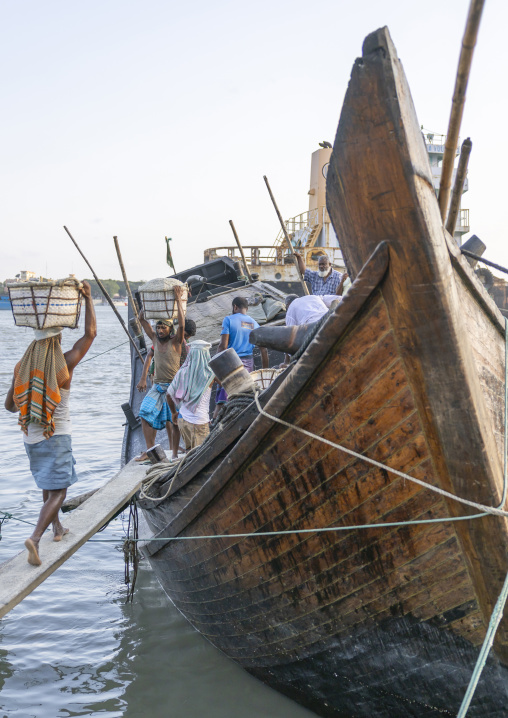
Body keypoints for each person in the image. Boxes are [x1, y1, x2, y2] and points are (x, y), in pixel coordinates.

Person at [4, 281, 97, 566]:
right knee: (58, 491)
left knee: (47, 484)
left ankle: (58, 528)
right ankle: (35, 537)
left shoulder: (21, 368)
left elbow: (9, 406)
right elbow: (91, 333)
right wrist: (89, 299)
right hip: (56, 436)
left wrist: (31, 398)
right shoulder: (65, 363)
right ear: (57, 341)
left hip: (31, 438)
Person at [137, 285, 196, 461]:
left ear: (170, 330)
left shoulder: (177, 341)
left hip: (174, 387)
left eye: (163, 328)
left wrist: (178, 299)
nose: (160, 330)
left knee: (178, 421)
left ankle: (182, 451)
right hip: (158, 386)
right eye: (158, 328)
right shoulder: (154, 339)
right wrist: (147, 303)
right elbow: (142, 320)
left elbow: (182, 323)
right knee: (144, 413)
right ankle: (150, 451)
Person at [214, 297, 269, 411]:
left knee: (224, 402)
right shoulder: (254, 323)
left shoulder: (228, 320)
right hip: (248, 366)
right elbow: (264, 350)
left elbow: (223, 346)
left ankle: (217, 425)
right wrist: (265, 372)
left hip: (230, 365)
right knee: (245, 400)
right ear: (247, 309)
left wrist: (213, 365)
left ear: (235, 307)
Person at [167, 340, 214, 452]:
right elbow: (228, 385)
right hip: (199, 422)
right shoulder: (211, 374)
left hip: (183, 420)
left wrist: (174, 412)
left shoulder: (182, 372)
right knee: (201, 456)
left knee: (190, 453)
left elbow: (169, 394)